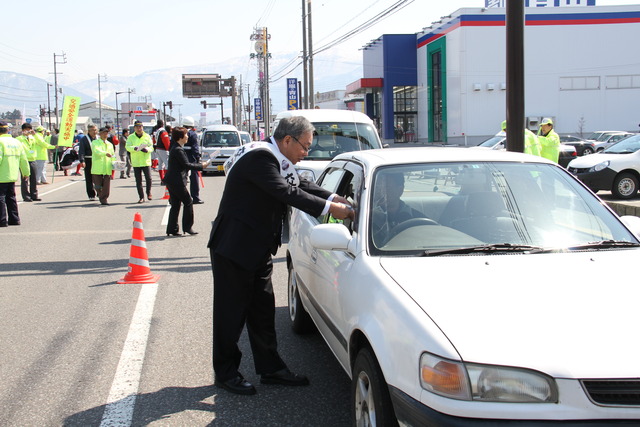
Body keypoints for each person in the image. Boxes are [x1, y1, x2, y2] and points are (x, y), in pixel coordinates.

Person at [207, 116, 353, 395]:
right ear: (288, 140)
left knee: (262, 311)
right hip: (235, 248)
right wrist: (328, 210)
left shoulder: (275, 156)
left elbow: (300, 184)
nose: (306, 153)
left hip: (257, 247)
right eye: (305, 146)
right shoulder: (259, 158)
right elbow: (285, 191)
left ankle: (271, 368)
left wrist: (333, 198)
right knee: (230, 314)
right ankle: (225, 373)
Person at [164, 127, 209, 236]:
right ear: (180, 137)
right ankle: (188, 227)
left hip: (171, 180)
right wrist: (201, 166)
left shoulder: (175, 148)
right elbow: (187, 165)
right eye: (185, 135)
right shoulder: (178, 150)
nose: (187, 136)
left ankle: (172, 229)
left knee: (175, 205)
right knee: (188, 202)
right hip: (177, 181)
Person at [371, 172, 425, 245]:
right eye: (378, 188)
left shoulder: (416, 218)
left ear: (400, 190)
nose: (381, 193)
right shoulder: (367, 217)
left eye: (387, 188)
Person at [0, 121, 30, 227]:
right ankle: (14, 219)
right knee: (11, 197)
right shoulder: (16, 142)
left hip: (1, 175)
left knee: (1, 198)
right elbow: (23, 159)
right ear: (7, 130)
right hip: (12, 175)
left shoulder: (0, 142)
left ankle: (2, 220)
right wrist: (26, 173)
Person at [126, 120, 154, 203]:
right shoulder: (131, 137)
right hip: (136, 161)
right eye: (137, 127)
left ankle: (148, 192)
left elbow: (151, 147)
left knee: (149, 178)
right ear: (134, 128)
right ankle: (141, 197)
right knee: (138, 180)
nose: (139, 129)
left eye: (140, 127)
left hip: (145, 161)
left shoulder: (147, 136)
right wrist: (134, 148)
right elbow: (127, 147)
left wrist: (147, 149)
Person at [181, 116, 203, 204]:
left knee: (180, 178)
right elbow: (195, 148)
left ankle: (177, 198)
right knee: (194, 178)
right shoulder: (193, 134)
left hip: (180, 157)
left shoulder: (179, 132)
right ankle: (195, 197)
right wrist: (197, 158)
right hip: (191, 158)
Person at [91, 127, 115, 205]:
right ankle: (101, 195)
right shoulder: (95, 142)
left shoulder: (110, 144)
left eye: (106, 133)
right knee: (98, 185)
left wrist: (114, 162)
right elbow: (96, 151)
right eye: (104, 133)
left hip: (107, 167)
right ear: (100, 134)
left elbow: (113, 154)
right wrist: (105, 153)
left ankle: (103, 199)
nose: (105, 134)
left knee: (106, 185)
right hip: (98, 167)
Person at [16, 123, 39, 202]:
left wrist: (35, 135)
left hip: (33, 159)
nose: (28, 131)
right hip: (24, 160)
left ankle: (34, 195)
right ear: (22, 130)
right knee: (25, 179)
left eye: (29, 129)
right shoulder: (19, 139)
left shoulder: (33, 138)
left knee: (34, 178)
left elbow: (40, 142)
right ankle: (26, 196)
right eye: (26, 129)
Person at [78, 125, 98, 200]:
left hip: (97, 160)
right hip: (88, 159)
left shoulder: (98, 138)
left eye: (96, 130)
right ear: (89, 131)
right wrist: (82, 160)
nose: (95, 132)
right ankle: (91, 194)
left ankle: (99, 192)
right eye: (93, 130)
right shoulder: (84, 139)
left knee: (98, 177)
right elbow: (81, 151)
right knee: (89, 178)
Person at [153, 120, 171, 184]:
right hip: (163, 149)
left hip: (157, 148)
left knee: (160, 164)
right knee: (167, 164)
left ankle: (162, 179)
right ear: (163, 124)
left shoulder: (156, 131)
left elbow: (154, 140)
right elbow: (166, 142)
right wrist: (169, 149)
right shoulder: (163, 131)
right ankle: (166, 179)